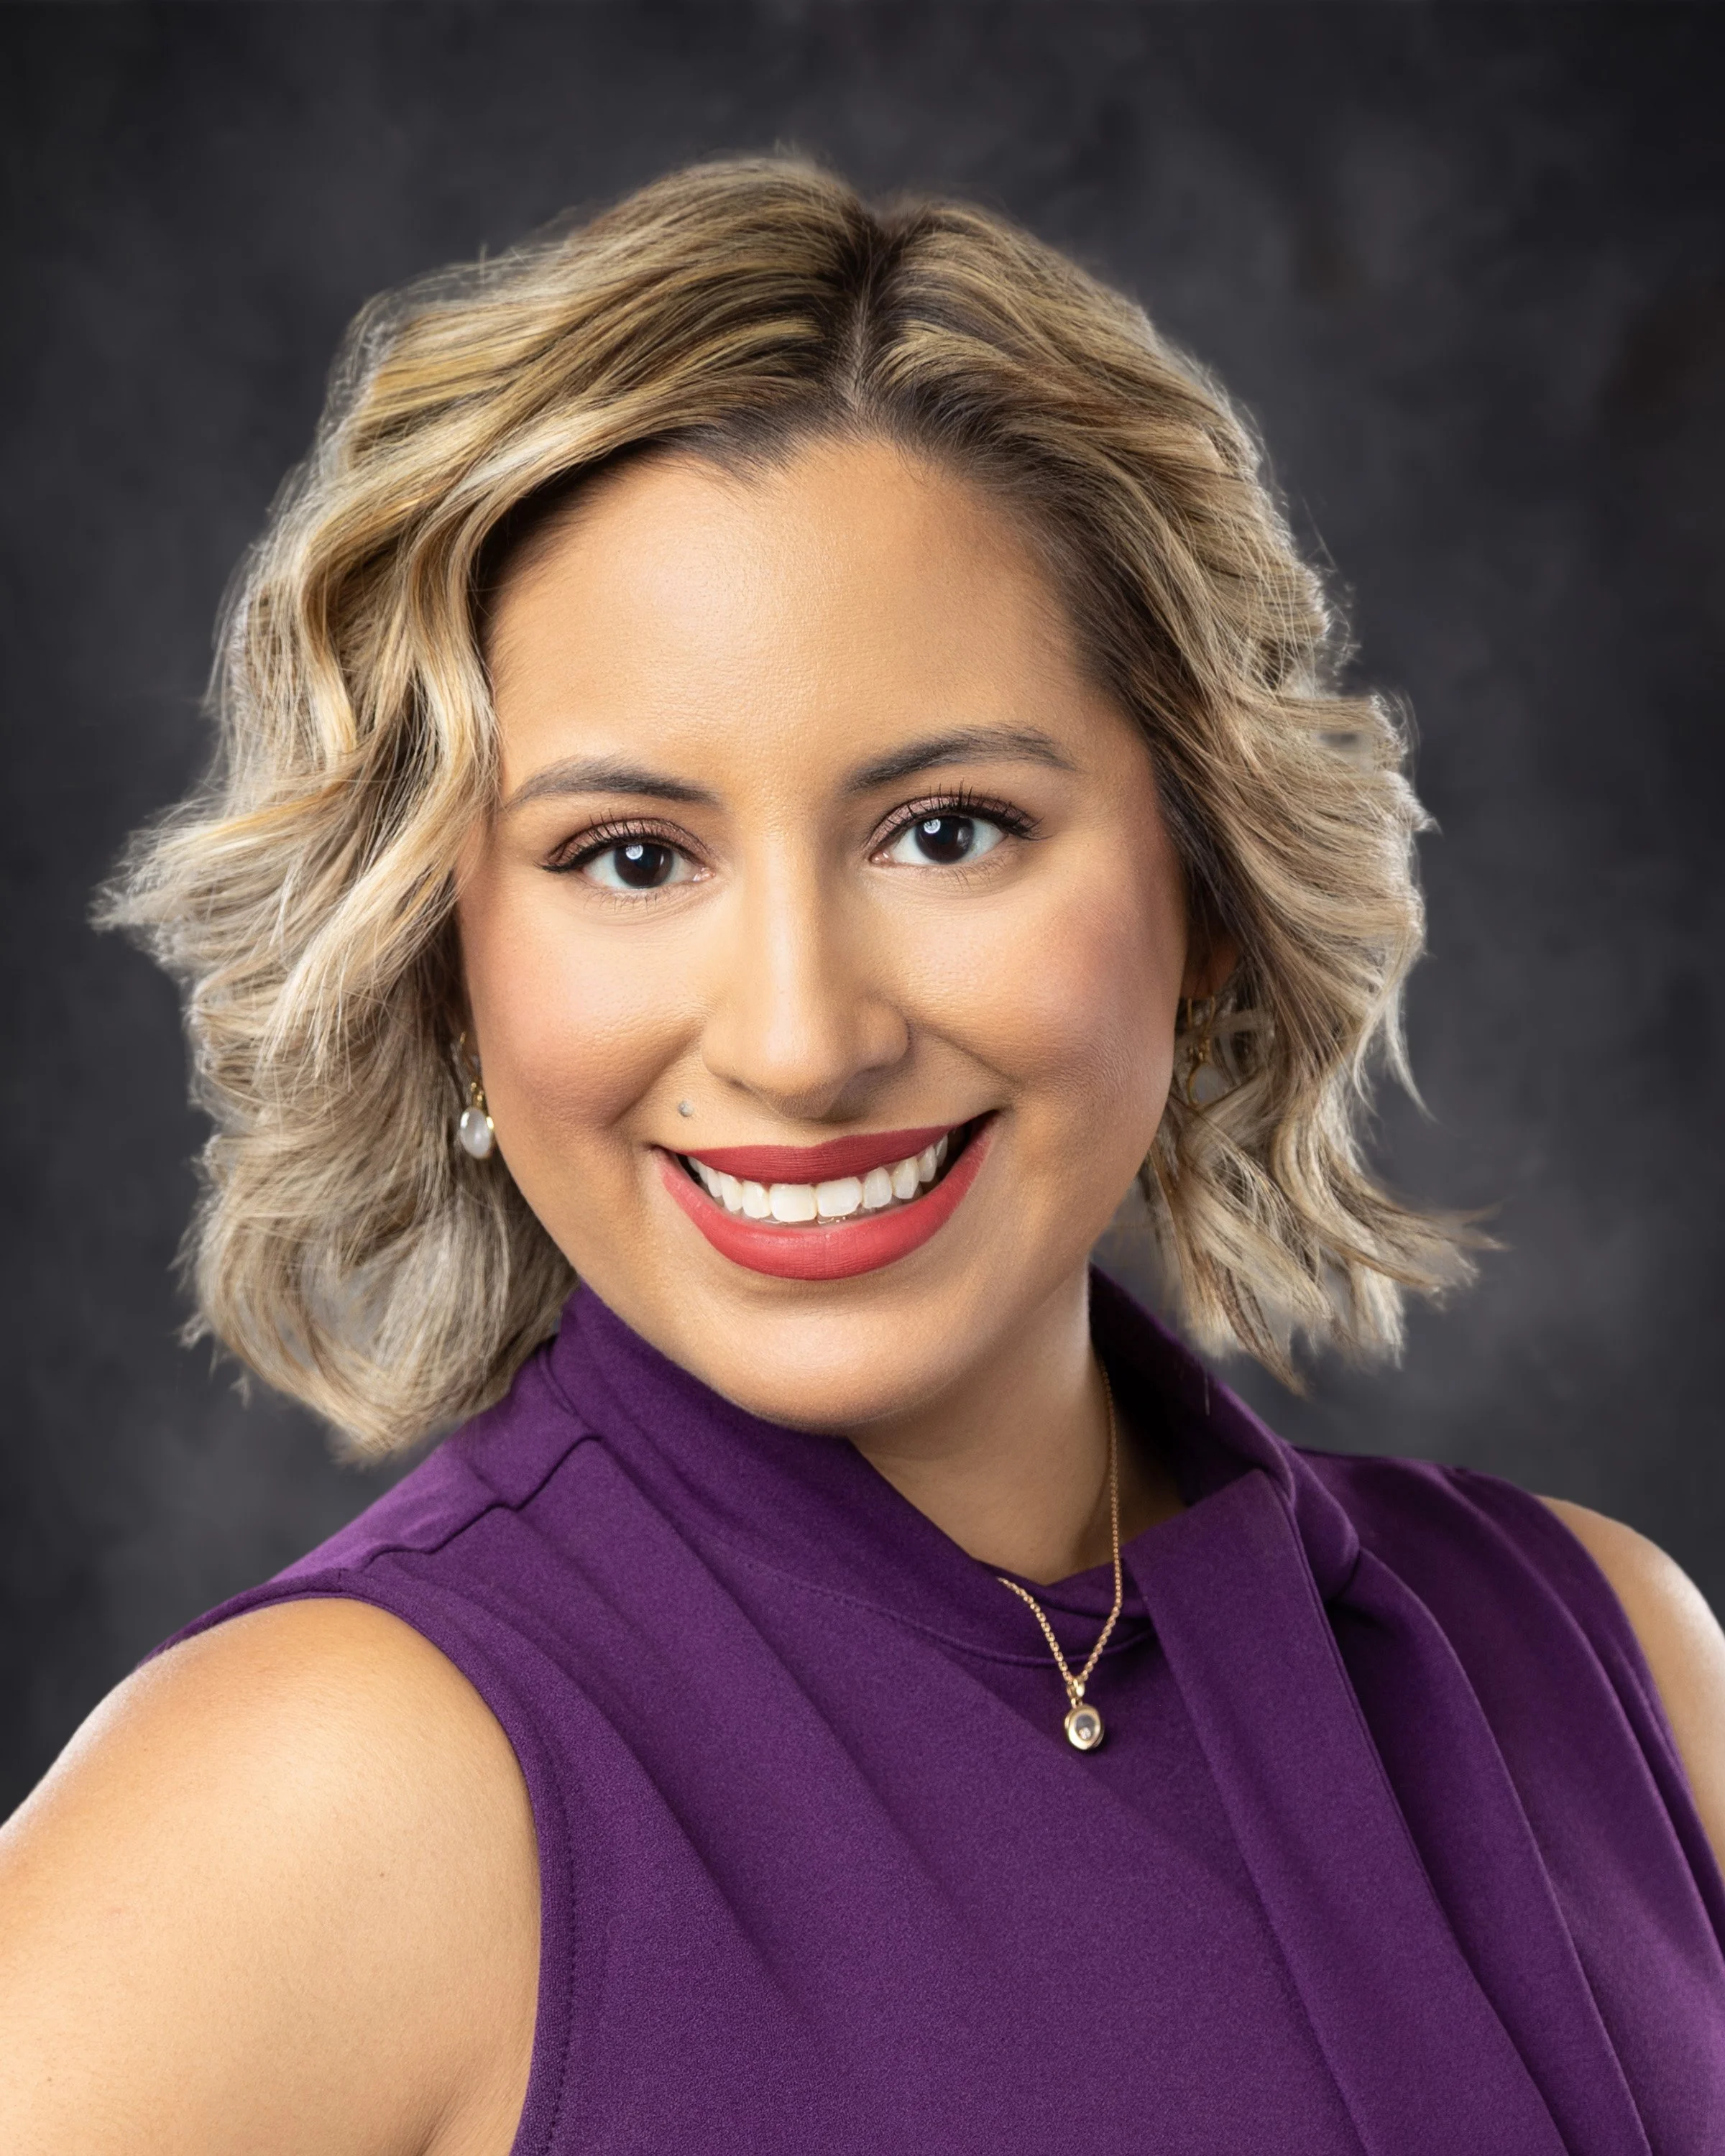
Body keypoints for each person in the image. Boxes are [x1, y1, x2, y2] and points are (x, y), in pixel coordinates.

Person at [1, 157, 1721, 2155]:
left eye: (948, 831)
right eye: (628, 858)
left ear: (1208, 890)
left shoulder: (1610, 1659)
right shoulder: (317, 1792)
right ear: (443, 962)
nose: (804, 1041)